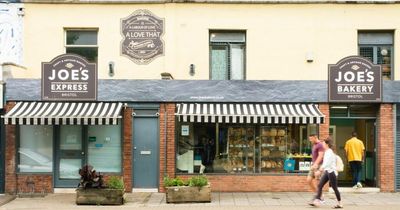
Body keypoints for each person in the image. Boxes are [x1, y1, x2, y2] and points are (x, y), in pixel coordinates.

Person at [311, 138, 343, 208]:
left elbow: (326, 163)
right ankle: (318, 200)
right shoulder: (327, 151)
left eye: (323, 143)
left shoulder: (329, 152)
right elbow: (325, 163)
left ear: (327, 144)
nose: (322, 145)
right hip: (328, 171)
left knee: (335, 188)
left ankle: (339, 203)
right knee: (320, 185)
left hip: (332, 172)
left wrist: (319, 171)